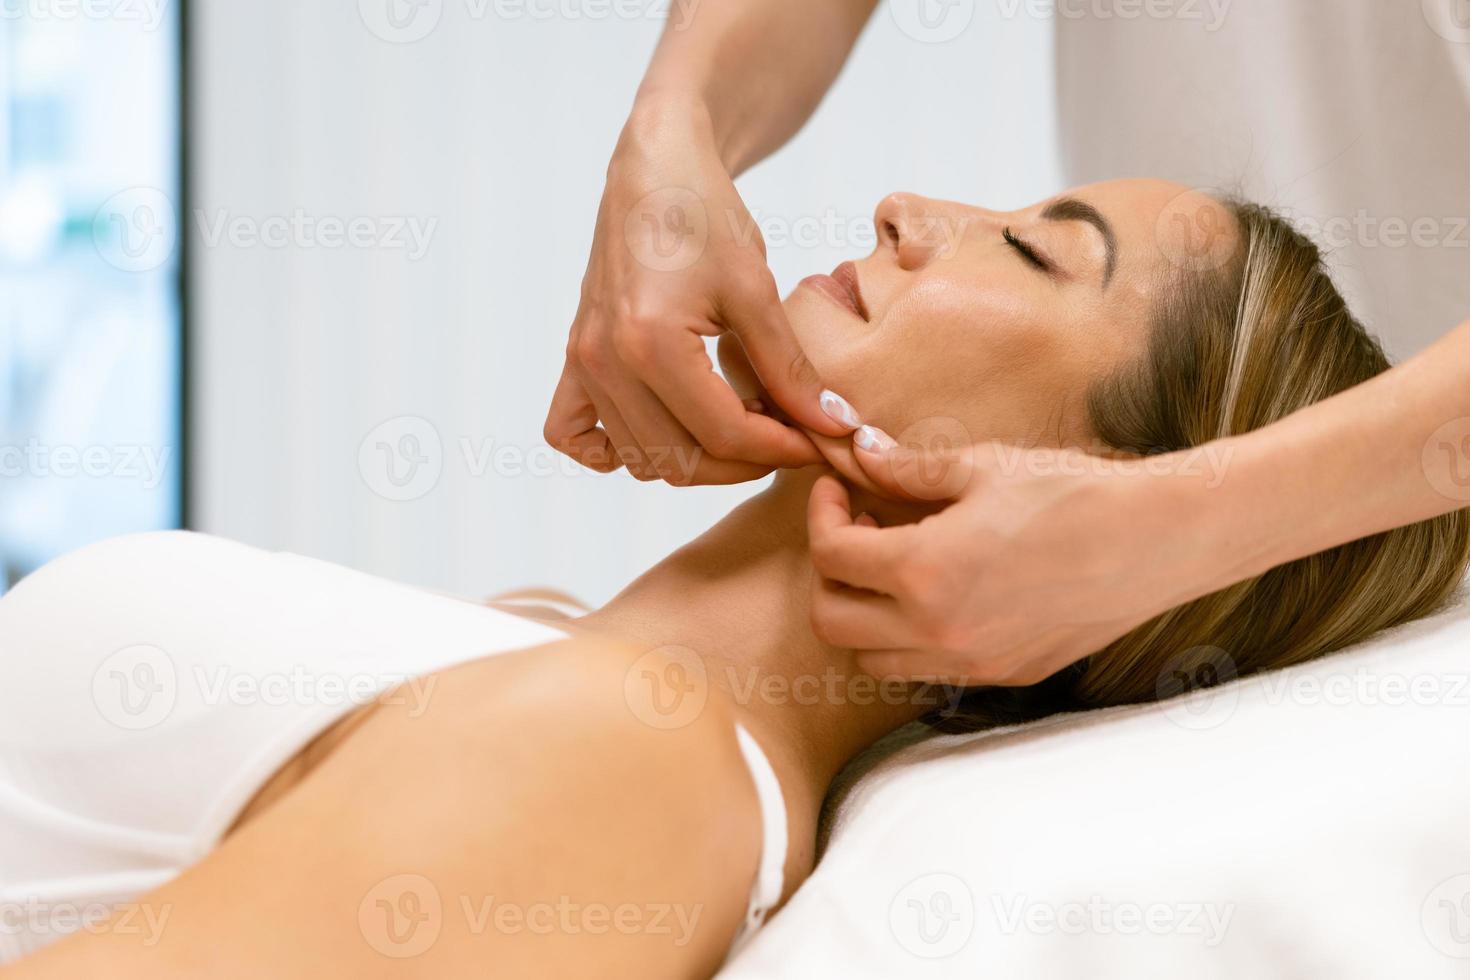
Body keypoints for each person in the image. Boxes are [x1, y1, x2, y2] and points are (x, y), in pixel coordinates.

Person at [5, 180, 1468, 977]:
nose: (908, 206)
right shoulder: (574, 667)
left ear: (1085, 499)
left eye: (1030, 248)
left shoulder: (622, 754)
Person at [545, 0, 1470, 685]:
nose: (897, 208)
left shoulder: (640, 782)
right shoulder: (529, 654)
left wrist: (1192, 525)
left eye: (1031, 251)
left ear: (1096, 473)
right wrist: (674, 124)